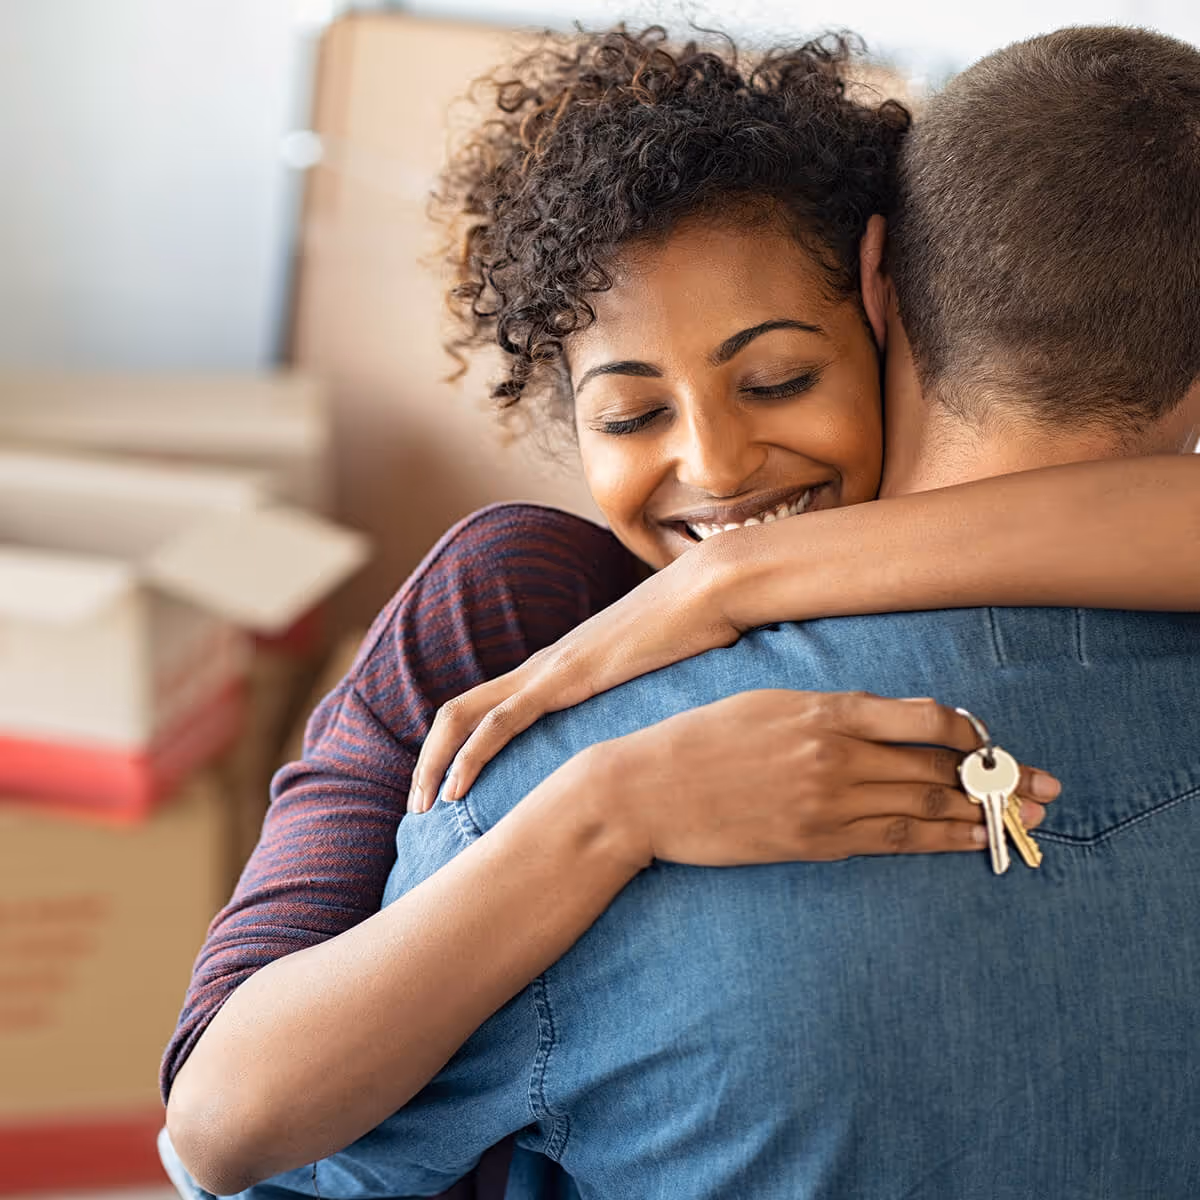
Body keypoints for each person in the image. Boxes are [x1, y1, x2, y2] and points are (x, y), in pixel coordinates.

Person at [163, 25, 1200, 1200]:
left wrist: (731, 583)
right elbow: (221, 1124)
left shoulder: (634, 683)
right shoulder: (506, 628)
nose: (716, 463)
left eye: (777, 382)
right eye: (628, 417)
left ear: (880, 303)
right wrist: (613, 806)